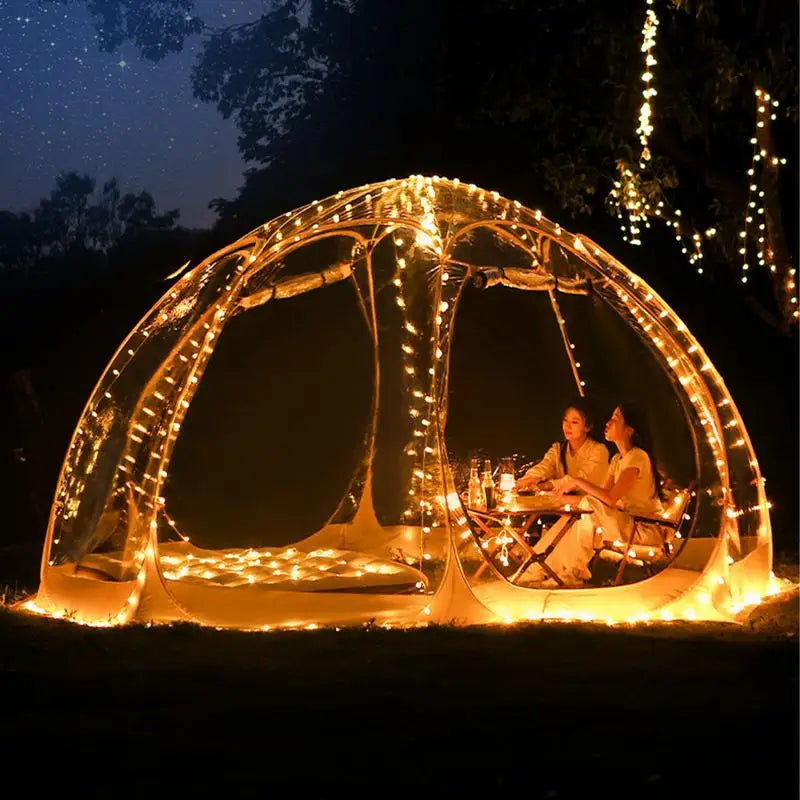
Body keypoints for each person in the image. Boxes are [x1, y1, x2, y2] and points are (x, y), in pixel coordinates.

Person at [522, 402, 664, 588]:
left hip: (644, 528)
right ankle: (535, 569)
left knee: (587, 507)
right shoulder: (617, 460)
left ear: (629, 430)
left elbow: (610, 498)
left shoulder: (637, 457)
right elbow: (600, 499)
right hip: (626, 523)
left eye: (616, 419)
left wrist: (578, 482)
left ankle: (572, 573)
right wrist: (559, 498)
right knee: (573, 515)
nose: (608, 422)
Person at [515, 398, 609, 494]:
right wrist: (528, 479)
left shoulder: (599, 451)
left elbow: (579, 480)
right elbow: (544, 467)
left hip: (588, 502)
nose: (567, 426)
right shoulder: (558, 449)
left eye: (574, 422)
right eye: (565, 420)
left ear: (588, 427)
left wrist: (547, 485)